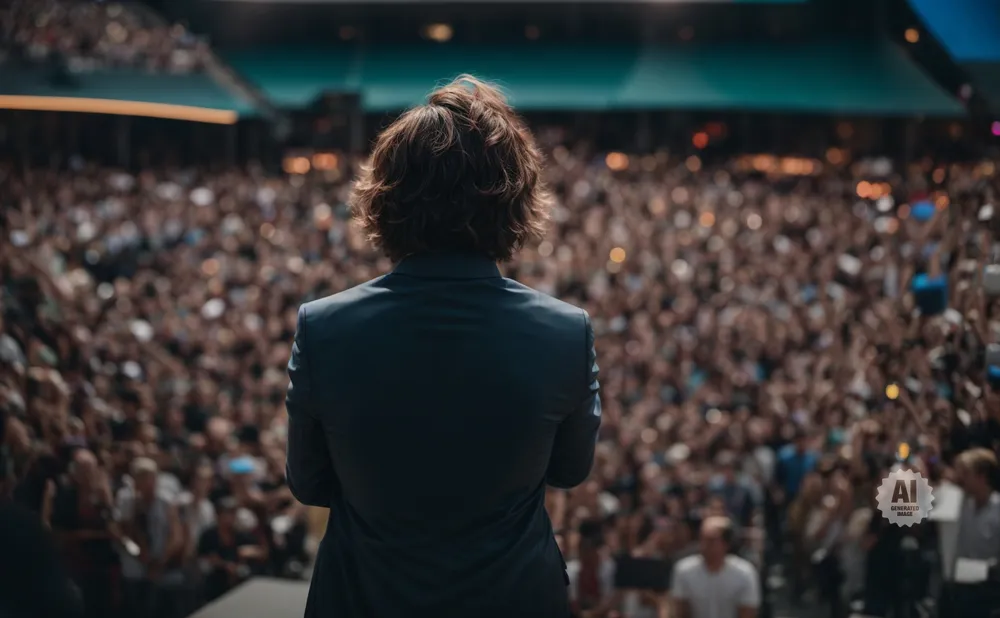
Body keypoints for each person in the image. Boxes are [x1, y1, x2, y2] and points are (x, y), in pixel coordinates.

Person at [284, 76, 601, 618]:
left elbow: (310, 482)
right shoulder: (565, 332)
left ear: (386, 199)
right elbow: (569, 470)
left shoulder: (323, 327)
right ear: (513, 203)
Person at [941, 448, 1000, 618]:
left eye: (967, 474)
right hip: (958, 588)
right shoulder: (960, 504)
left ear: (982, 477)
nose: (961, 480)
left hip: (987, 591)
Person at [671, 516, 760, 618]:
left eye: (711, 540)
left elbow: (747, 613)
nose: (704, 545)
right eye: (702, 539)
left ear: (726, 544)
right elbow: (680, 612)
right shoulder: (684, 570)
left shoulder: (744, 573)